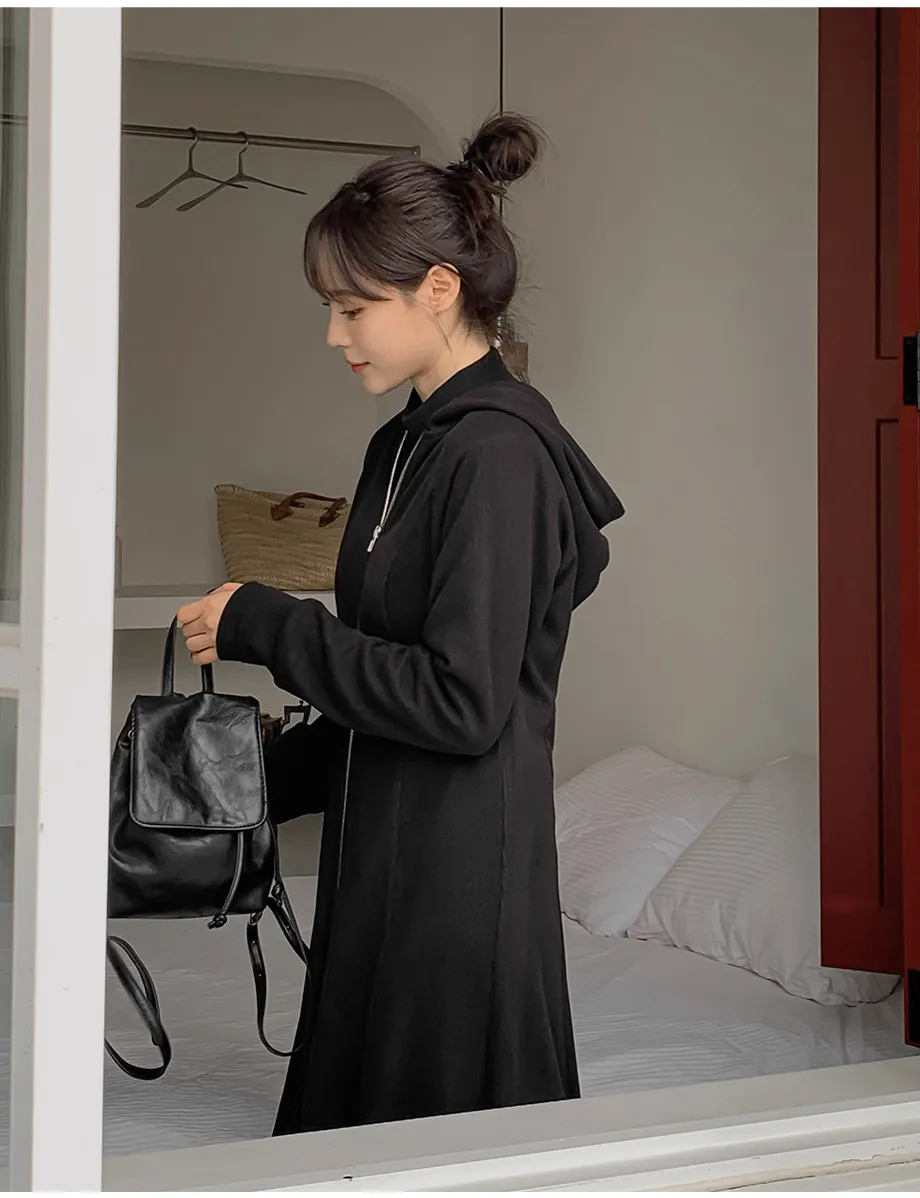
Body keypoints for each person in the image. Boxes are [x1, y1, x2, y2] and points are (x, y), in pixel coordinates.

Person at [177, 112, 624, 1137]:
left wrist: (271, 624)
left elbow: (462, 703)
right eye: (329, 309)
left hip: (457, 883)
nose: (335, 336)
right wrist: (237, 783)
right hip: (377, 860)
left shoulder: (498, 457)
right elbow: (385, 673)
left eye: (352, 308)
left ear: (438, 287)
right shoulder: (403, 446)